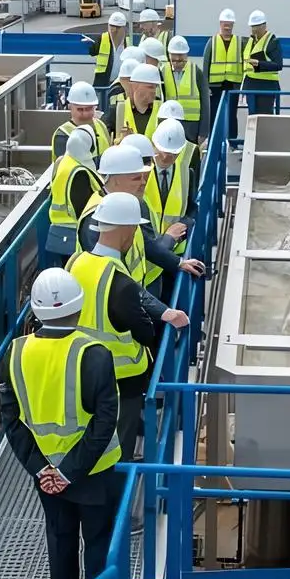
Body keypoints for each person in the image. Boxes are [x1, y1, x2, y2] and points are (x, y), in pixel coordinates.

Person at [0, 268, 121, 579]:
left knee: (60, 537)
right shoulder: (95, 354)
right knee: (97, 545)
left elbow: (11, 420)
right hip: (94, 471)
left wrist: (44, 470)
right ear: (78, 308)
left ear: (35, 310)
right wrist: (69, 472)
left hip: (45, 473)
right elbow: (105, 422)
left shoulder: (16, 353)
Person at [68, 192, 189, 457]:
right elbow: (145, 332)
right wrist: (165, 317)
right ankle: (118, 481)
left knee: (90, 436)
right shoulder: (119, 280)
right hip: (122, 378)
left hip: (79, 368)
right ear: (126, 229)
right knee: (118, 447)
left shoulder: (75, 263)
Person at [79, 145, 203, 300]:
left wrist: (179, 263)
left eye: (144, 177)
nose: (144, 182)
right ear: (116, 180)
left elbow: (144, 242)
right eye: (136, 178)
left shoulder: (124, 205)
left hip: (132, 294)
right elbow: (109, 275)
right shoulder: (96, 218)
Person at [47, 126, 104, 261]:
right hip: (75, 234)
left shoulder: (63, 161)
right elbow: (83, 208)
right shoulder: (79, 172)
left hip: (58, 230)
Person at [146, 119, 200, 256]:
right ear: (154, 145)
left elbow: (192, 209)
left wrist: (183, 225)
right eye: (162, 151)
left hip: (175, 252)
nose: (165, 157)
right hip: (148, 251)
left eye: (172, 154)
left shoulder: (186, 174)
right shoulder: (141, 173)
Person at [161, 36, 209, 143]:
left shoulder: (196, 72)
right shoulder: (162, 71)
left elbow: (205, 103)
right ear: (169, 54)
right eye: (174, 56)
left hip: (192, 129)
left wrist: (203, 132)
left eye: (181, 56)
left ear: (186, 55)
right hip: (169, 124)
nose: (177, 60)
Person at [206, 8, 244, 142]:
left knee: (231, 114)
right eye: (225, 24)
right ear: (220, 24)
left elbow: (245, 64)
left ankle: (232, 141)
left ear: (233, 25)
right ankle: (214, 140)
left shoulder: (239, 42)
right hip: (215, 86)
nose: (227, 27)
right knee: (214, 114)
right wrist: (206, 86)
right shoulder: (212, 42)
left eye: (230, 24)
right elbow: (206, 64)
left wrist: (242, 86)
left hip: (233, 86)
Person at [52, 81, 113, 159]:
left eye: (89, 109)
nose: (85, 114)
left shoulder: (101, 126)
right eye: (80, 109)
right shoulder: (62, 134)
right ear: (70, 107)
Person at [242, 9, 283, 117]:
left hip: (266, 87)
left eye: (256, 27)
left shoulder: (272, 42)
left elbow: (278, 65)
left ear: (264, 26)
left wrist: (259, 64)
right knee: (252, 117)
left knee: (265, 118)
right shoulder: (250, 41)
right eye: (252, 27)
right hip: (251, 86)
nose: (254, 30)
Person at [110, 63, 164, 139]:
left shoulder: (162, 109)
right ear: (134, 86)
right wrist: (122, 140)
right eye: (150, 87)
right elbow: (109, 143)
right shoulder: (118, 110)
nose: (154, 91)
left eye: (155, 87)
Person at [87, 12, 128, 103]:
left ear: (123, 28)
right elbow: (92, 52)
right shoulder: (102, 39)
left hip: (121, 84)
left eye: (117, 27)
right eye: (112, 26)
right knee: (101, 105)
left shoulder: (128, 41)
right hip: (102, 82)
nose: (114, 30)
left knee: (118, 106)